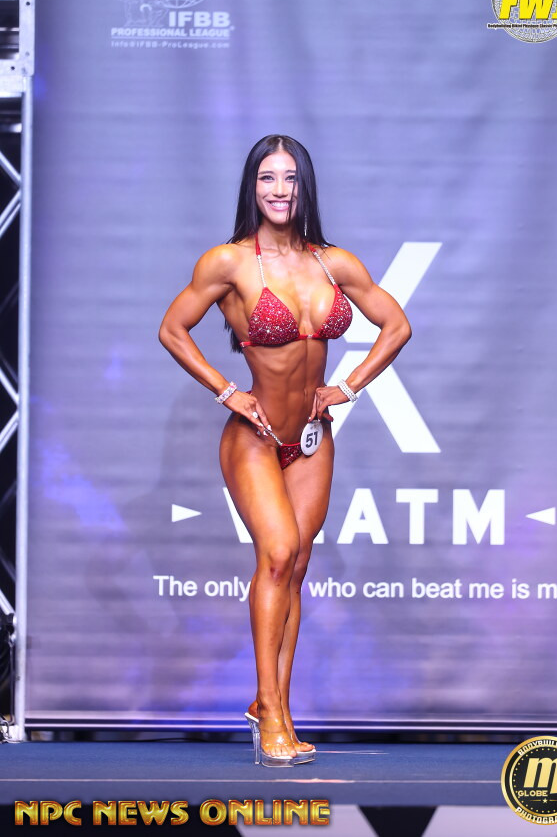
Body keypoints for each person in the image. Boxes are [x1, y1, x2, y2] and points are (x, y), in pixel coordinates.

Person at [158, 135, 412, 766]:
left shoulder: (333, 263)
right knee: (275, 554)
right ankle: (269, 711)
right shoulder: (229, 262)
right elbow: (172, 328)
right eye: (267, 178)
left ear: (305, 188)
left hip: (311, 439)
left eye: (290, 178)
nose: (278, 189)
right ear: (252, 187)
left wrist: (348, 386)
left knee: (295, 566)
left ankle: (277, 707)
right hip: (255, 437)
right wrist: (226, 391)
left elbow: (397, 325)